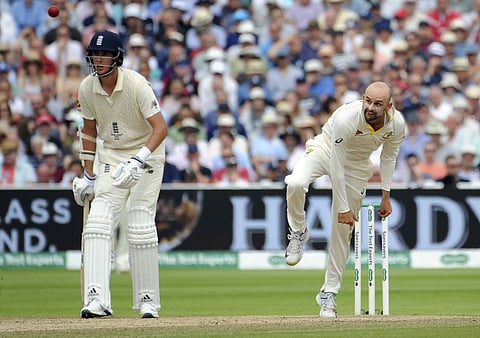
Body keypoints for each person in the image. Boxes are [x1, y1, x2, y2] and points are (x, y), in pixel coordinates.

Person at [284, 81, 405, 318]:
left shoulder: (397, 124)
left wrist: (386, 196)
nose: (370, 107)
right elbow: (335, 166)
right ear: (363, 98)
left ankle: (329, 293)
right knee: (296, 182)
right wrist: (342, 207)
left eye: (377, 104)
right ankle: (298, 230)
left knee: (343, 230)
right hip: (326, 149)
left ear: (388, 106)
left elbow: (389, 158)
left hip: (358, 165)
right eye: (367, 101)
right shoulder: (347, 118)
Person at [72, 30, 168, 319]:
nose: (99, 59)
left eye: (105, 54)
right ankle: (97, 299)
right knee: (98, 221)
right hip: (111, 155)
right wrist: (88, 176)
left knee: (139, 222)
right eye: (95, 54)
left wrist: (138, 160)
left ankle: (148, 301)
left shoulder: (137, 85)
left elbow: (160, 129)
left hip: (146, 153)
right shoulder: (87, 88)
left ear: (117, 57)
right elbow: (89, 132)